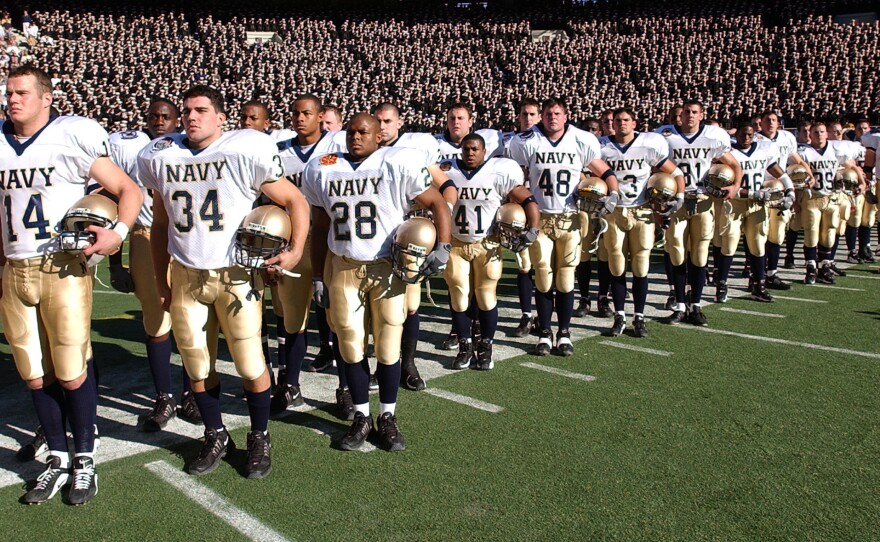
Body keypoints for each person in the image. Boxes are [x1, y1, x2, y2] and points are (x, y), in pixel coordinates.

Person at [139, 85, 309, 479]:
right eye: (186, 111)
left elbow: (295, 200)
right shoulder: (162, 155)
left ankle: (259, 435)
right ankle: (215, 434)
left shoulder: (242, 148)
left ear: (221, 117)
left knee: (251, 365)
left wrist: (297, 250)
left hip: (235, 275)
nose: (191, 117)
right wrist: (161, 280)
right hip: (185, 275)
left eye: (201, 110)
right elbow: (162, 222)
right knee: (198, 365)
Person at [1, 65, 143, 505]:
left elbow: (128, 189)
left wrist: (117, 233)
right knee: (33, 372)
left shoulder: (68, 135)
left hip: (60, 267)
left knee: (70, 368)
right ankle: (57, 459)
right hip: (13, 268)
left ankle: (84, 459)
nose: (12, 99)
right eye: (8, 92)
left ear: (46, 98)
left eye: (22, 92)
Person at [302, 112, 451, 451]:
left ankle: (387, 415)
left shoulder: (397, 161)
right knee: (350, 344)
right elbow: (321, 225)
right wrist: (316, 274)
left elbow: (438, 203)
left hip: (387, 267)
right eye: (351, 131)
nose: (355, 137)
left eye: (363, 132)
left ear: (378, 136)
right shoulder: (322, 167)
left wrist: (443, 245)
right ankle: (360, 416)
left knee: (387, 345)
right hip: (343, 265)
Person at [104, 98, 203, 430]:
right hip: (146, 236)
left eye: (166, 116)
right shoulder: (124, 144)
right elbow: (112, 202)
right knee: (156, 319)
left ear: (177, 119)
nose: (160, 120)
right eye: (154, 116)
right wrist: (115, 263)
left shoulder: (194, 147)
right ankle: (165, 396)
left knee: (192, 320)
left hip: (189, 238)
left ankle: (192, 392)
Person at [507, 97, 619, 356]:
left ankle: (565, 333)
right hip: (542, 218)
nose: (552, 117)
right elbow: (515, 174)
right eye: (548, 113)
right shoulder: (528, 140)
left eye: (557, 113)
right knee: (544, 276)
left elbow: (604, 170)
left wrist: (613, 193)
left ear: (565, 116)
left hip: (570, 218)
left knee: (566, 277)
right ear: (542, 116)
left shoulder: (581, 139)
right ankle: (545, 333)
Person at [272, 94, 348, 415]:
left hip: (327, 243)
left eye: (307, 113)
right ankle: (291, 385)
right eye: (296, 113)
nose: (300, 118)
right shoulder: (278, 153)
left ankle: (345, 388)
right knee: (293, 321)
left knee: (340, 321)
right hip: (290, 245)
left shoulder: (338, 147)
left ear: (321, 117)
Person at [373, 102, 453, 390]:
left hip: (409, 239)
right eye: (378, 121)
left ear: (399, 122)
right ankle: (382, 363)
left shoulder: (413, 151)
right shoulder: (365, 153)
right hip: (375, 241)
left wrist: (440, 216)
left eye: (387, 121)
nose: (382, 127)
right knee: (377, 306)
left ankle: (407, 363)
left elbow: (446, 187)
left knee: (409, 306)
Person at [442, 133, 538, 369]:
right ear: (460, 150)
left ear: (484, 151)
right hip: (455, 243)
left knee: (485, 297)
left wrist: (534, 227)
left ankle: (485, 346)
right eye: (466, 149)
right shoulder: (447, 171)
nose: (470, 153)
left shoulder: (498, 171)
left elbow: (527, 198)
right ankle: (465, 346)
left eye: (475, 149)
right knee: (459, 296)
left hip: (487, 243)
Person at [655, 99, 742, 326]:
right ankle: (680, 304)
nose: (690, 116)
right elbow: (654, 166)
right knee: (675, 248)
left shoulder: (713, 137)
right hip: (676, 201)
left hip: (703, 199)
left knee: (700, 252)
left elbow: (735, 165)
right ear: (679, 115)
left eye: (694, 112)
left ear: (701, 115)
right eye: (686, 112)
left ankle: (696, 305)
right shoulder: (665, 137)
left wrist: (735, 186)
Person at [600, 107, 685, 337]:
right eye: (617, 120)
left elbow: (676, 173)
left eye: (626, 120)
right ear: (612, 123)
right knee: (616, 265)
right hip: (614, 212)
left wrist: (679, 196)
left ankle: (639, 317)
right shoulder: (602, 147)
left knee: (640, 266)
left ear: (634, 123)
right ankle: (619, 315)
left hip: (642, 211)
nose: (621, 124)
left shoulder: (648, 144)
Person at [712, 119, 794, 303]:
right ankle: (722, 284)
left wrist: (790, 190)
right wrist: (752, 192)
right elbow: (721, 184)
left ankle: (759, 285)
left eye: (750, 134)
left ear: (755, 133)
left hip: (757, 205)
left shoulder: (764, 149)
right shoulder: (729, 153)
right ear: (736, 133)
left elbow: (779, 172)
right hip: (734, 204)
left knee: (757, 245)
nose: (746, 138)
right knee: (729, 245)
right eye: (742, 134)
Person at [796, 121, 859, 284]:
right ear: (810, 134)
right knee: (811, 233)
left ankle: (824, 267)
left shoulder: (835, 149)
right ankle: (810, 268)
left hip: (831, 198)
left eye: (822, 132)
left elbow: (849, 165)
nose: (819, 135)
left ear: (826, 133)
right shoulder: (804, 152)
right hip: (811, 198)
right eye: (815, 132)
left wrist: (858, 179)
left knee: (829, 233)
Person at [504, 98, 542, 338]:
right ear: (518, 117)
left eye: (532, 114)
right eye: (524, 114)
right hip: (524, 210)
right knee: (525, 266)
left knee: (546, 266)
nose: (528, 119)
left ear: (539, 117)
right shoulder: (515, 143)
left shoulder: (547, 141)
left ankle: (545, 315)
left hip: (548, 211)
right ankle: (527, 315)